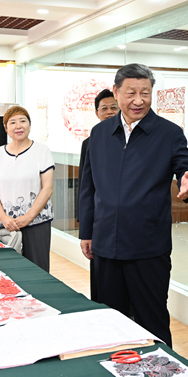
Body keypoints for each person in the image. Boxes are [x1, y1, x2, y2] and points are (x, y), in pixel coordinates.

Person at [79, 63, 188, 347]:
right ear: (116, 92)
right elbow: (88, 188)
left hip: (148, 246)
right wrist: (87, 231)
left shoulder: (168, 133)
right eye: (131, 93)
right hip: (105, 243)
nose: (138, 100)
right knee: (108, 318)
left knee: (152, 319)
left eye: (145, 93)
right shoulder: (99, 135)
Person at [0, 105, 55, 272]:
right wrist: (3, 217)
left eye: (23, 121)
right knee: (8, 271)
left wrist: (28, 217)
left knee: (37, 271)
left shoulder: (41, 151)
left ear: (29, 125)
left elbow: (47, 188)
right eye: (12, 122)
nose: (18, 126)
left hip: (36, 223)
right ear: (6, 128)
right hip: (5, 225)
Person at [79, 89, 118, 297]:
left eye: (114, 107)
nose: (109, 112)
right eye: (104, 108)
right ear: (97, 113)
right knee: (103, 286)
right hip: (100, 224)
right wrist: (86, 231)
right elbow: (86, 188)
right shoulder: (90, 142)